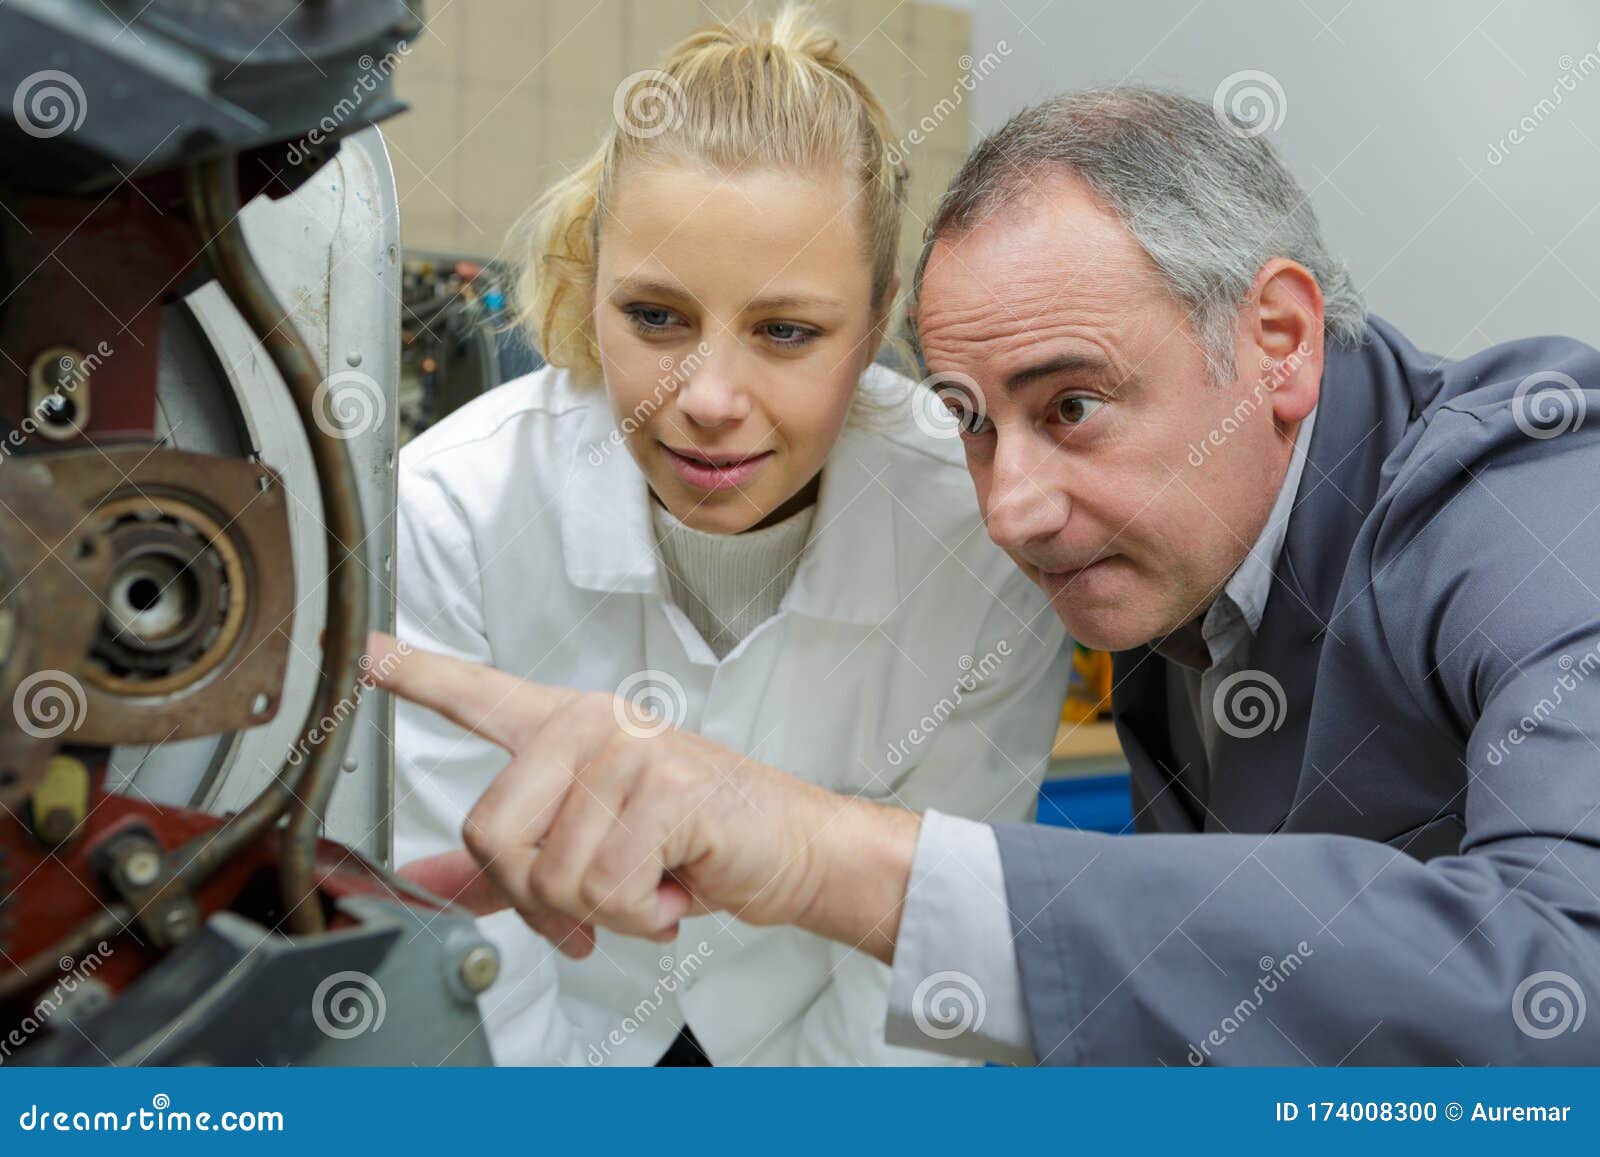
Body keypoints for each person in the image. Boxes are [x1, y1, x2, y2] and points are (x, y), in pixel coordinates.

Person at [379, 85, 1600, 1066]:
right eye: (969, 418)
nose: (1008, 511)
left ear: (1276, 340)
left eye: (1071, 404)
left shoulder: (1537, 499)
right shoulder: (1190, 597)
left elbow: (1561, 983)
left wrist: (824, 853)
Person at [389, 9, 1070, 1068]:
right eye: (654, 316)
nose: (706, 398)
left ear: (883, 314)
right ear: (591, 280)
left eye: (786, 331)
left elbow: (928, 941)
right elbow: (459, 941)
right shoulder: (454, 506)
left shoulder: (976, 534)